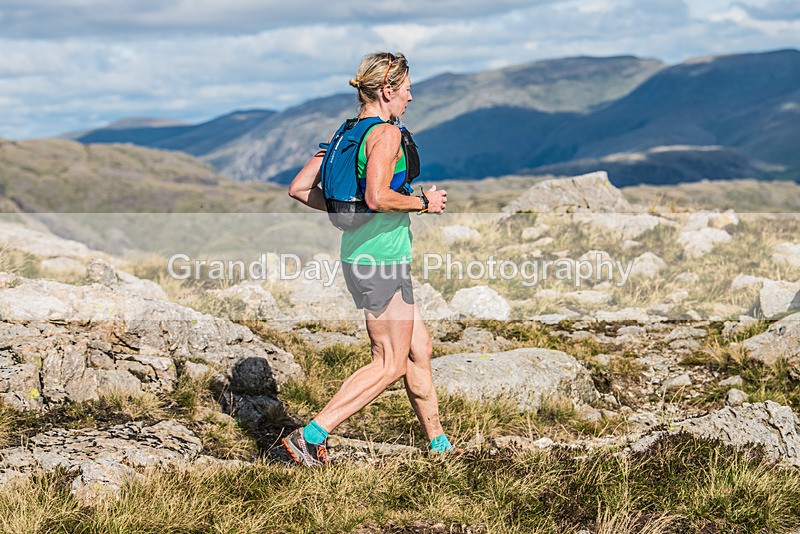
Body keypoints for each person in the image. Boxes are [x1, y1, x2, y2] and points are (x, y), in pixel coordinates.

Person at [282, 51, 457, 466]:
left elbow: (299, 187)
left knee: (419, 350)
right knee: (389, 362)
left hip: (365, 256)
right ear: (387, 89)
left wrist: (347, 213)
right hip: (380, 262)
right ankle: (310, 436)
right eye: (407, 90)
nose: (410, 99)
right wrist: (422, 203)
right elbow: (378, 196)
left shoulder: (348, 134)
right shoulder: (384, 134)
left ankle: (439, 446)